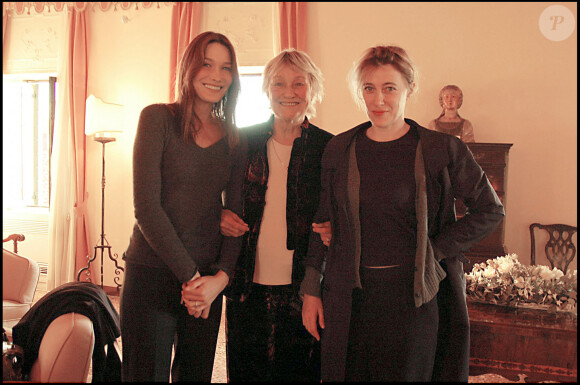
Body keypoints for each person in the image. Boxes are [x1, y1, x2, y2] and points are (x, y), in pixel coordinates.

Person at [300, 45, 505, 382]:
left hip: (414, 300)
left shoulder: (442, 149)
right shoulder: (340, 149)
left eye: (389, 88)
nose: (378, 100)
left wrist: (436, 249)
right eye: (369, 88)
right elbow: (322, 222)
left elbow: (489, 210)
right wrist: (311, 289)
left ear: (409, 88)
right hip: (353, 298)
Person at [120, 31, 247, 382]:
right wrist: (190, 278)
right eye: (207, 64)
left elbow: (236, 221)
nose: (217, 75)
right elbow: (146, 207)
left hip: (207, 283)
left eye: (226, 67)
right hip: (152, 274)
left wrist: (218, 280)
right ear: (189, 67)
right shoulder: (156, 119)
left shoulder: (235, 139)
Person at [219, 49, 333, 382]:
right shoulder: (242, 140)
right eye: (279, 83)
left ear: (312, 90)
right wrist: (218, 214)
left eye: (299, 83)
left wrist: (335, 228)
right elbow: (203, 191)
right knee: (245, 373)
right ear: (267, 90)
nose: (288, 92)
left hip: (304, 289)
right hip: (245, 285)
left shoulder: (329, 148)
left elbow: (341, 211)